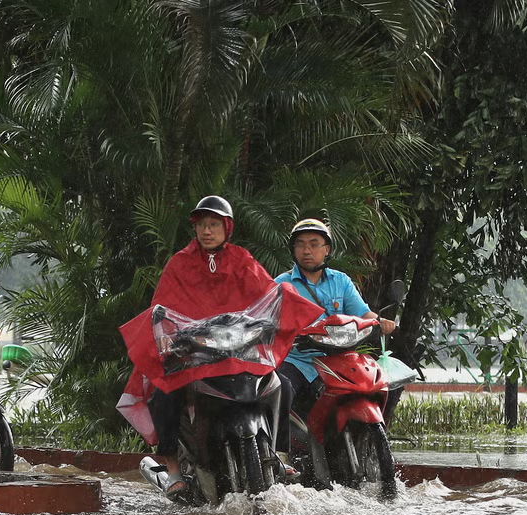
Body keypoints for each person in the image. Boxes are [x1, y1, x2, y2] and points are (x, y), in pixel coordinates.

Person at [117, 195, 317, 497]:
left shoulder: (242, 260)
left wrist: (281, 312)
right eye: (202, 225)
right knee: (164, 395)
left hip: (238, 352)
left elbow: (267, 294)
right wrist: (170, 335)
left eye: (213, 225)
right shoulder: (179, 263)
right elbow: (162, 305)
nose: (207, 231)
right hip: (194, 354)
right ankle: (172, 471)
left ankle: (278, 454)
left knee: (283, 385)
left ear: (227, 228)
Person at [275, 217, 396, 407]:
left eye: (314, 245)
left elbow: (363, 314)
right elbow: (267, 321)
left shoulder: (341, 281)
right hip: (297, 361)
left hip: (338, 363)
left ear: (327, 249)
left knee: (373, 389)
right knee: (280, 392)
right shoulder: (281, 284)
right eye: (300, 245)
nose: (307, 251)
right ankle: (278, 438)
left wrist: (382, 322)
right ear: (293, 250)